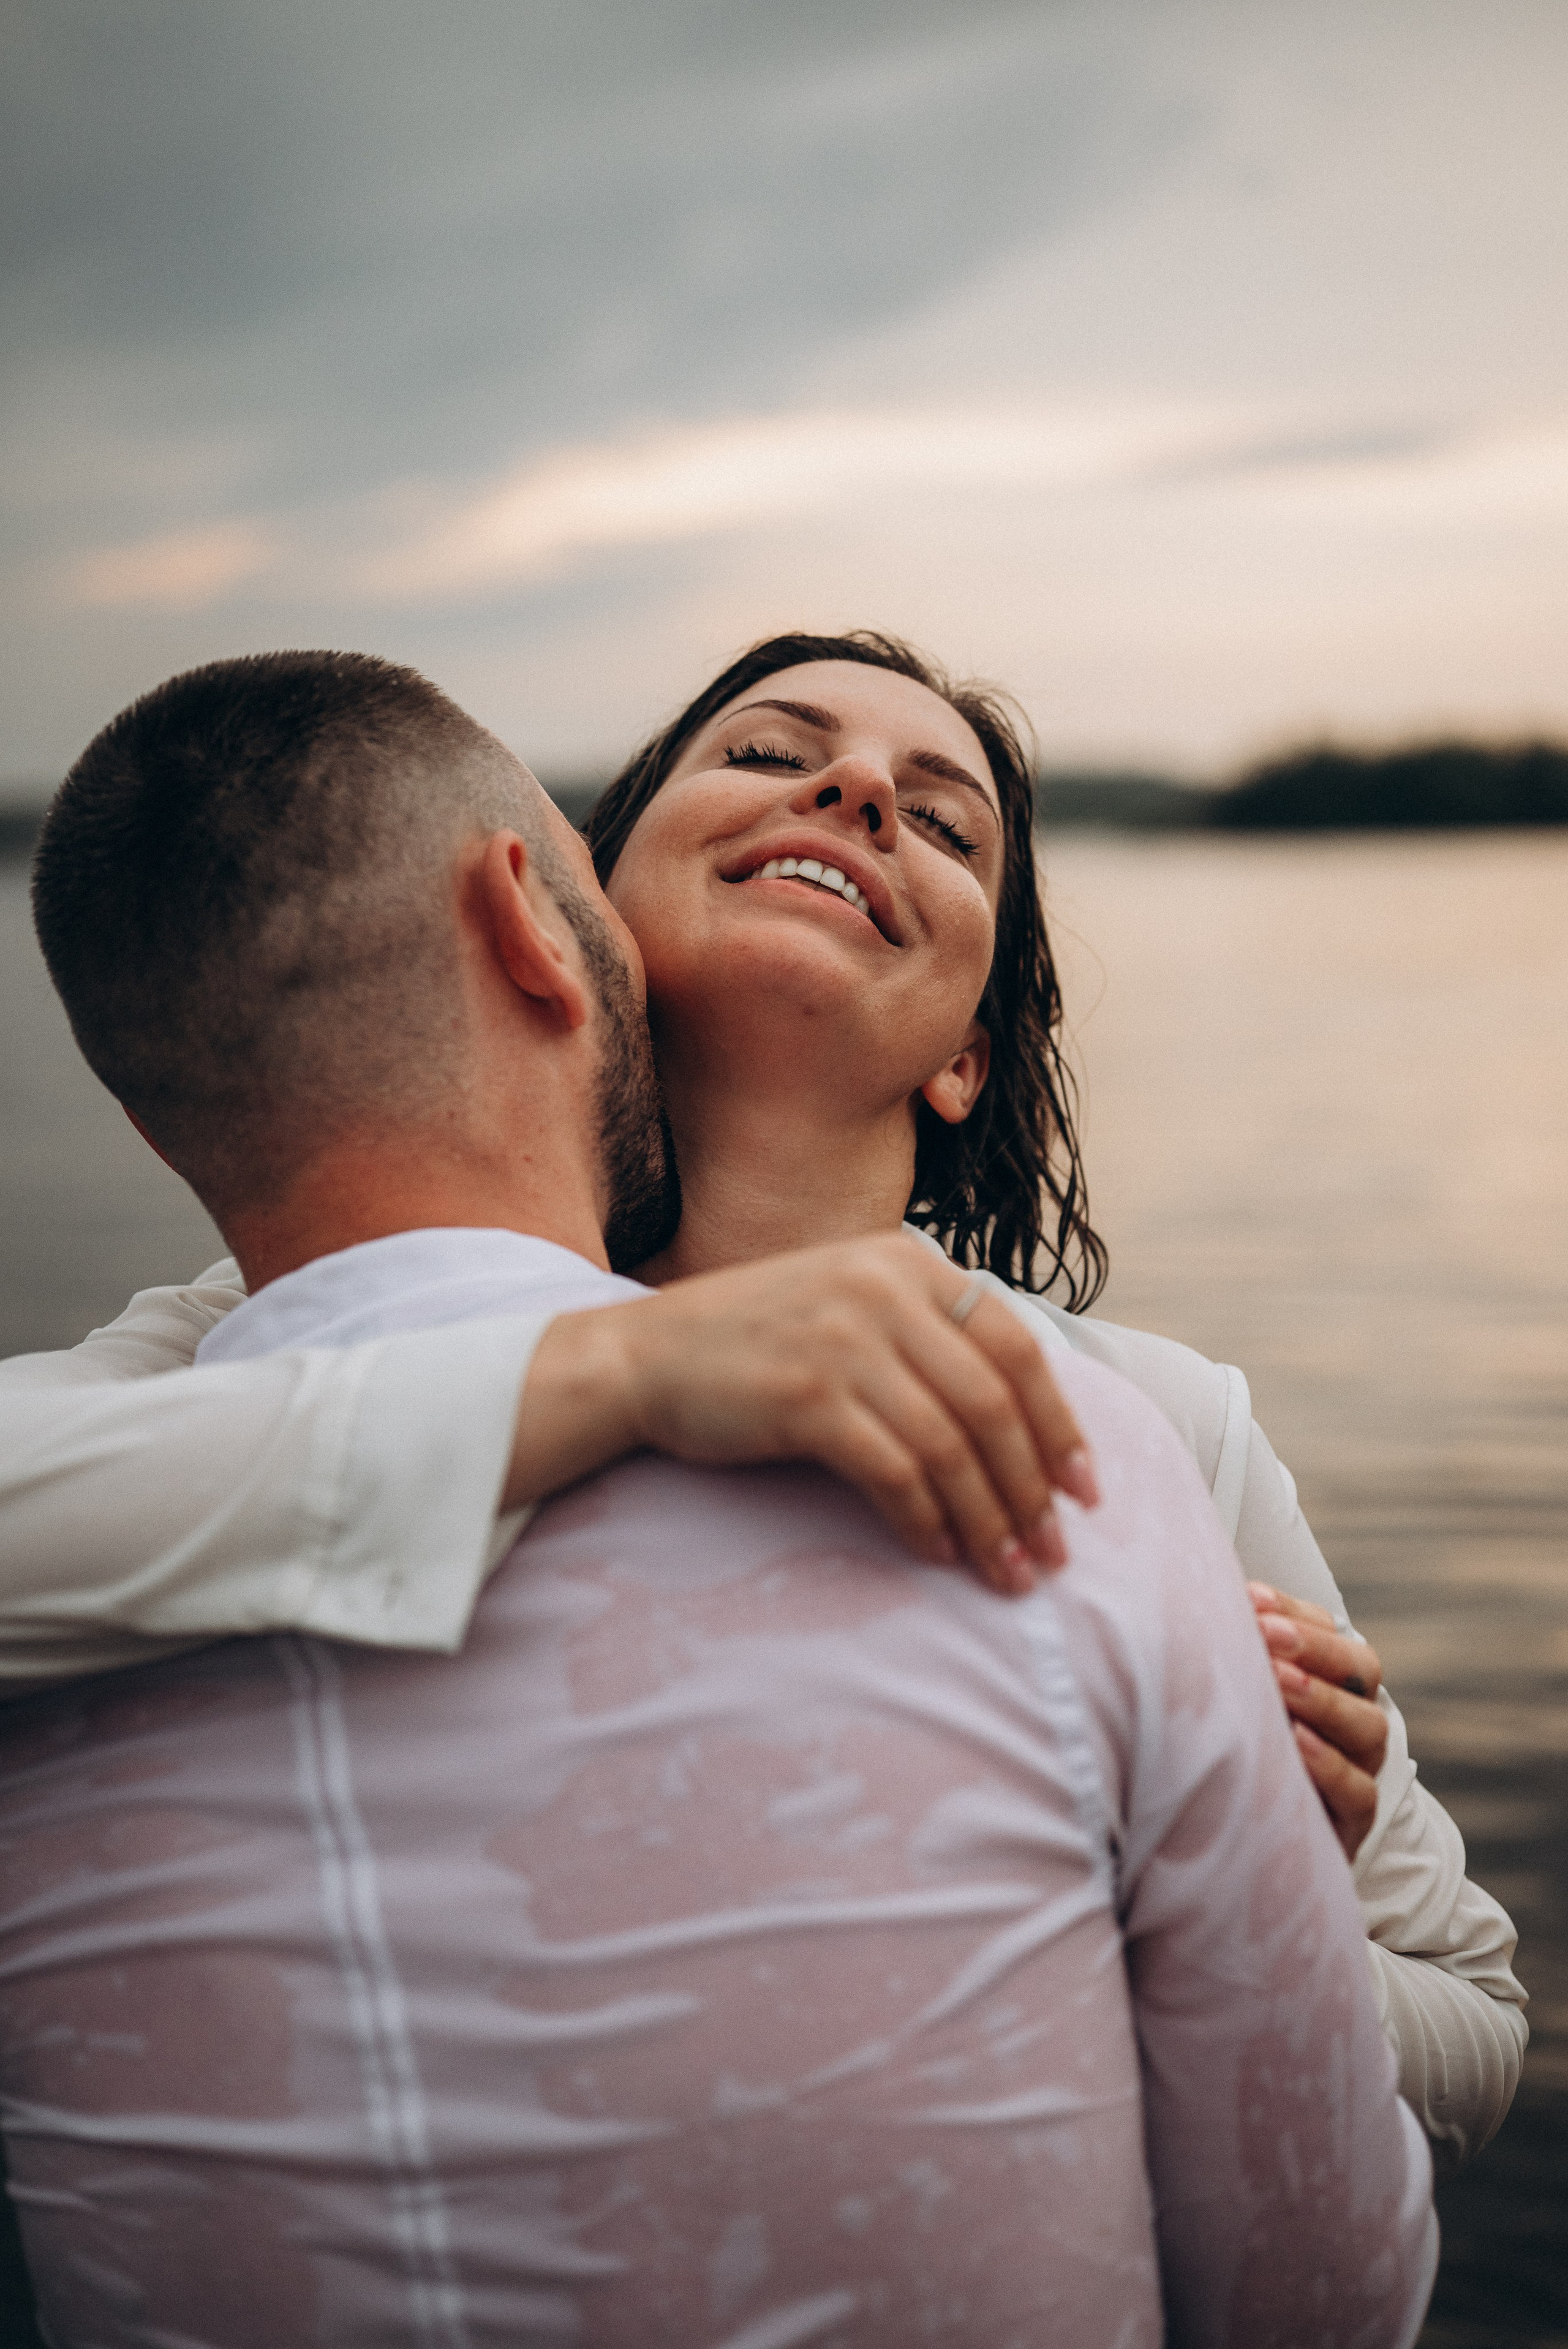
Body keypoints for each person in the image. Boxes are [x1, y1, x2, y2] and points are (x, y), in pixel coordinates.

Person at [0, 651, 1436, 2346]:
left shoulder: (1136, 1428)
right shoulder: (232, 1339)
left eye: (948, 823)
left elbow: (1465, 2012)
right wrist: (620, 1370)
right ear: (570, 918)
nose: (859, 793)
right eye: (766, 749)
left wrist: (1227, 1877)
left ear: (968, 1058)